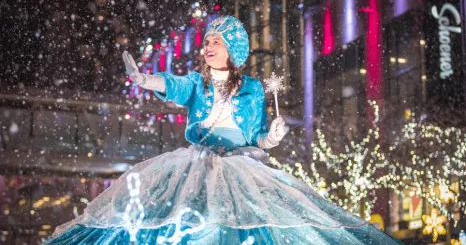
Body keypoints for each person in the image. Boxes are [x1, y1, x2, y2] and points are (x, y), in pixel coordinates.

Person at [44, 16, 403, 244]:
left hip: (238, 167)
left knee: (238, 225)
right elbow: (172, 84)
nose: (207, 46)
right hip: (196, 165)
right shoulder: (197, 84)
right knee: (190, 222)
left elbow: (258, 136)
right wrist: (144, 79)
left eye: (216, 41)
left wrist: (272, 137)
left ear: (232, 48)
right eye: (207, 42)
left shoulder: (252, 90)